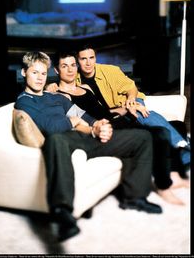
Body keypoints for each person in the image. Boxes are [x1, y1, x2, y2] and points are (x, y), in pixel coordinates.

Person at [15, 51, 162, 242]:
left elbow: (85, 117)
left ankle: (135, 197)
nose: (40, 78)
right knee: (56, 139)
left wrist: (98, 126)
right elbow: (52, 128)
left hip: (86, 139)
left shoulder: (56, 98)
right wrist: (74, 122)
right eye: (35, 73)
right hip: (64, 142)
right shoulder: (24, 102)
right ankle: (63, 213)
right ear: (24, 73)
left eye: (43, 73)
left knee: (142, 137)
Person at [49, 50, 189, 205]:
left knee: (175, 125)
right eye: (64, 66)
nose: (70, 70)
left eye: (72, 65)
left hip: (116, 119)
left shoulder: (85, 88)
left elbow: (104, 111)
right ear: (56, 69)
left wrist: (130, 106)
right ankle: (164, 186)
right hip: (105, 128)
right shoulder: (60, 96)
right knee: (160, 133)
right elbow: (77, 121)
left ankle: (174, 172)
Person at [75, 45, 191, 167]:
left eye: (91, 58)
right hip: (113, 113)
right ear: (77, 60)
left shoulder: (109, 71)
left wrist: (131, 101)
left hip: (127, 102)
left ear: (95, 58)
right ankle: (179, 145)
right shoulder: (75, 80)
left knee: (139, 112)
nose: (88, 63)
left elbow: (131, 87)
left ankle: (182, 146)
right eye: (83, 59)